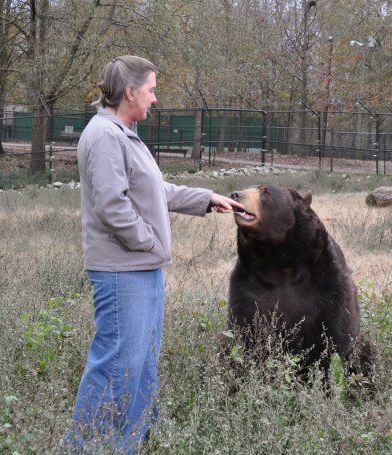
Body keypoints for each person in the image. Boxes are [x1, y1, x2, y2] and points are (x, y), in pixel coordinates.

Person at [68, 55, 244, 452]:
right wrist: (148, 242)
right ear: (130, 92)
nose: (155, 98)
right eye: (151, 90)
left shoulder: (124, 132)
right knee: (116, 365)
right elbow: (112, 206)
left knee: (140, 365)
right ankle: (88, 447)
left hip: (140, 268)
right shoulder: (105, 136)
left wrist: (205, 198)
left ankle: (130, 443)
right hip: (122, 270)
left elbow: (155, 191)